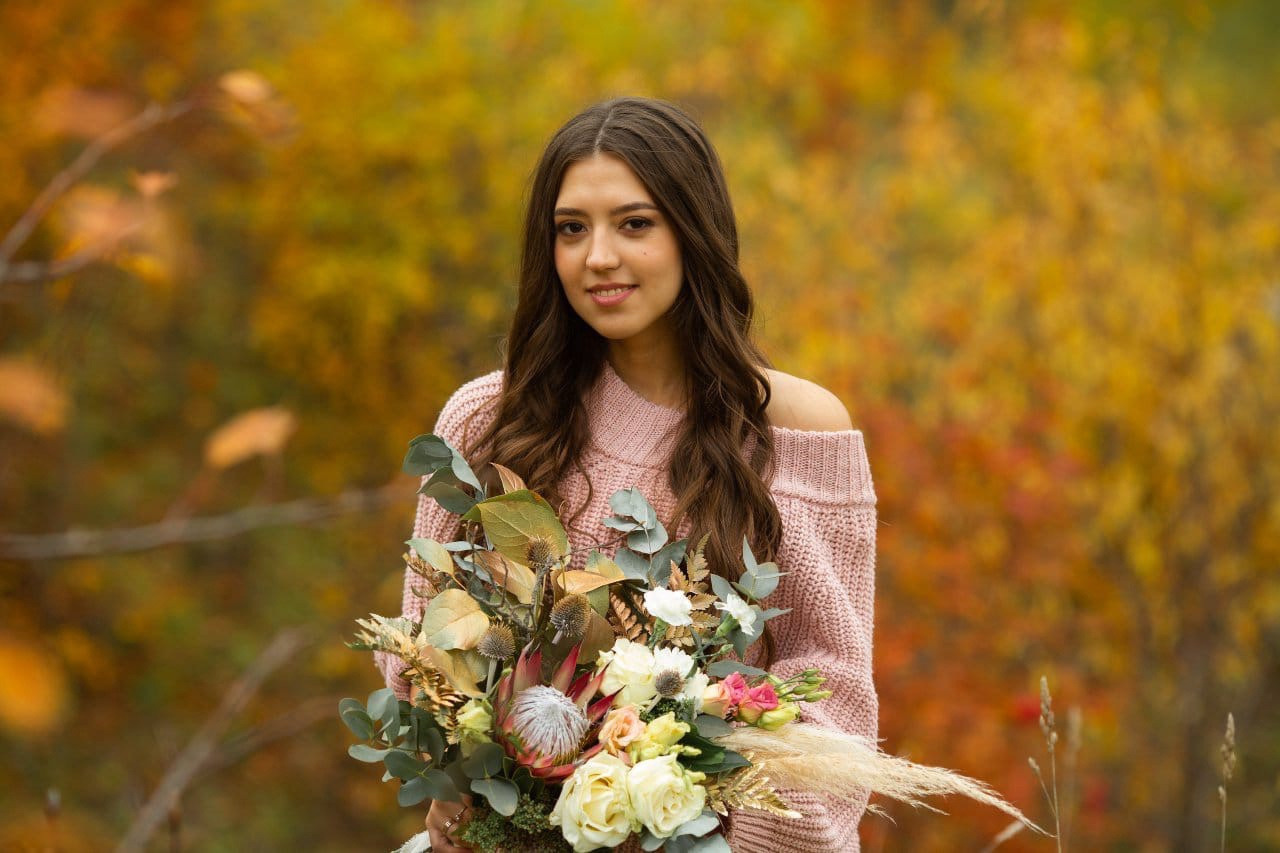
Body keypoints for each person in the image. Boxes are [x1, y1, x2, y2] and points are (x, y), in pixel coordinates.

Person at [378, 97, 877, 852]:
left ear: (692, 232)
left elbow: (831, 684)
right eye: (571, 229)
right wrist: (464, 785)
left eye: (633, 224)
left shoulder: (796, 431)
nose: (598, 256)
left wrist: (709, 828)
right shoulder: (489, 420)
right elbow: (415, 655)